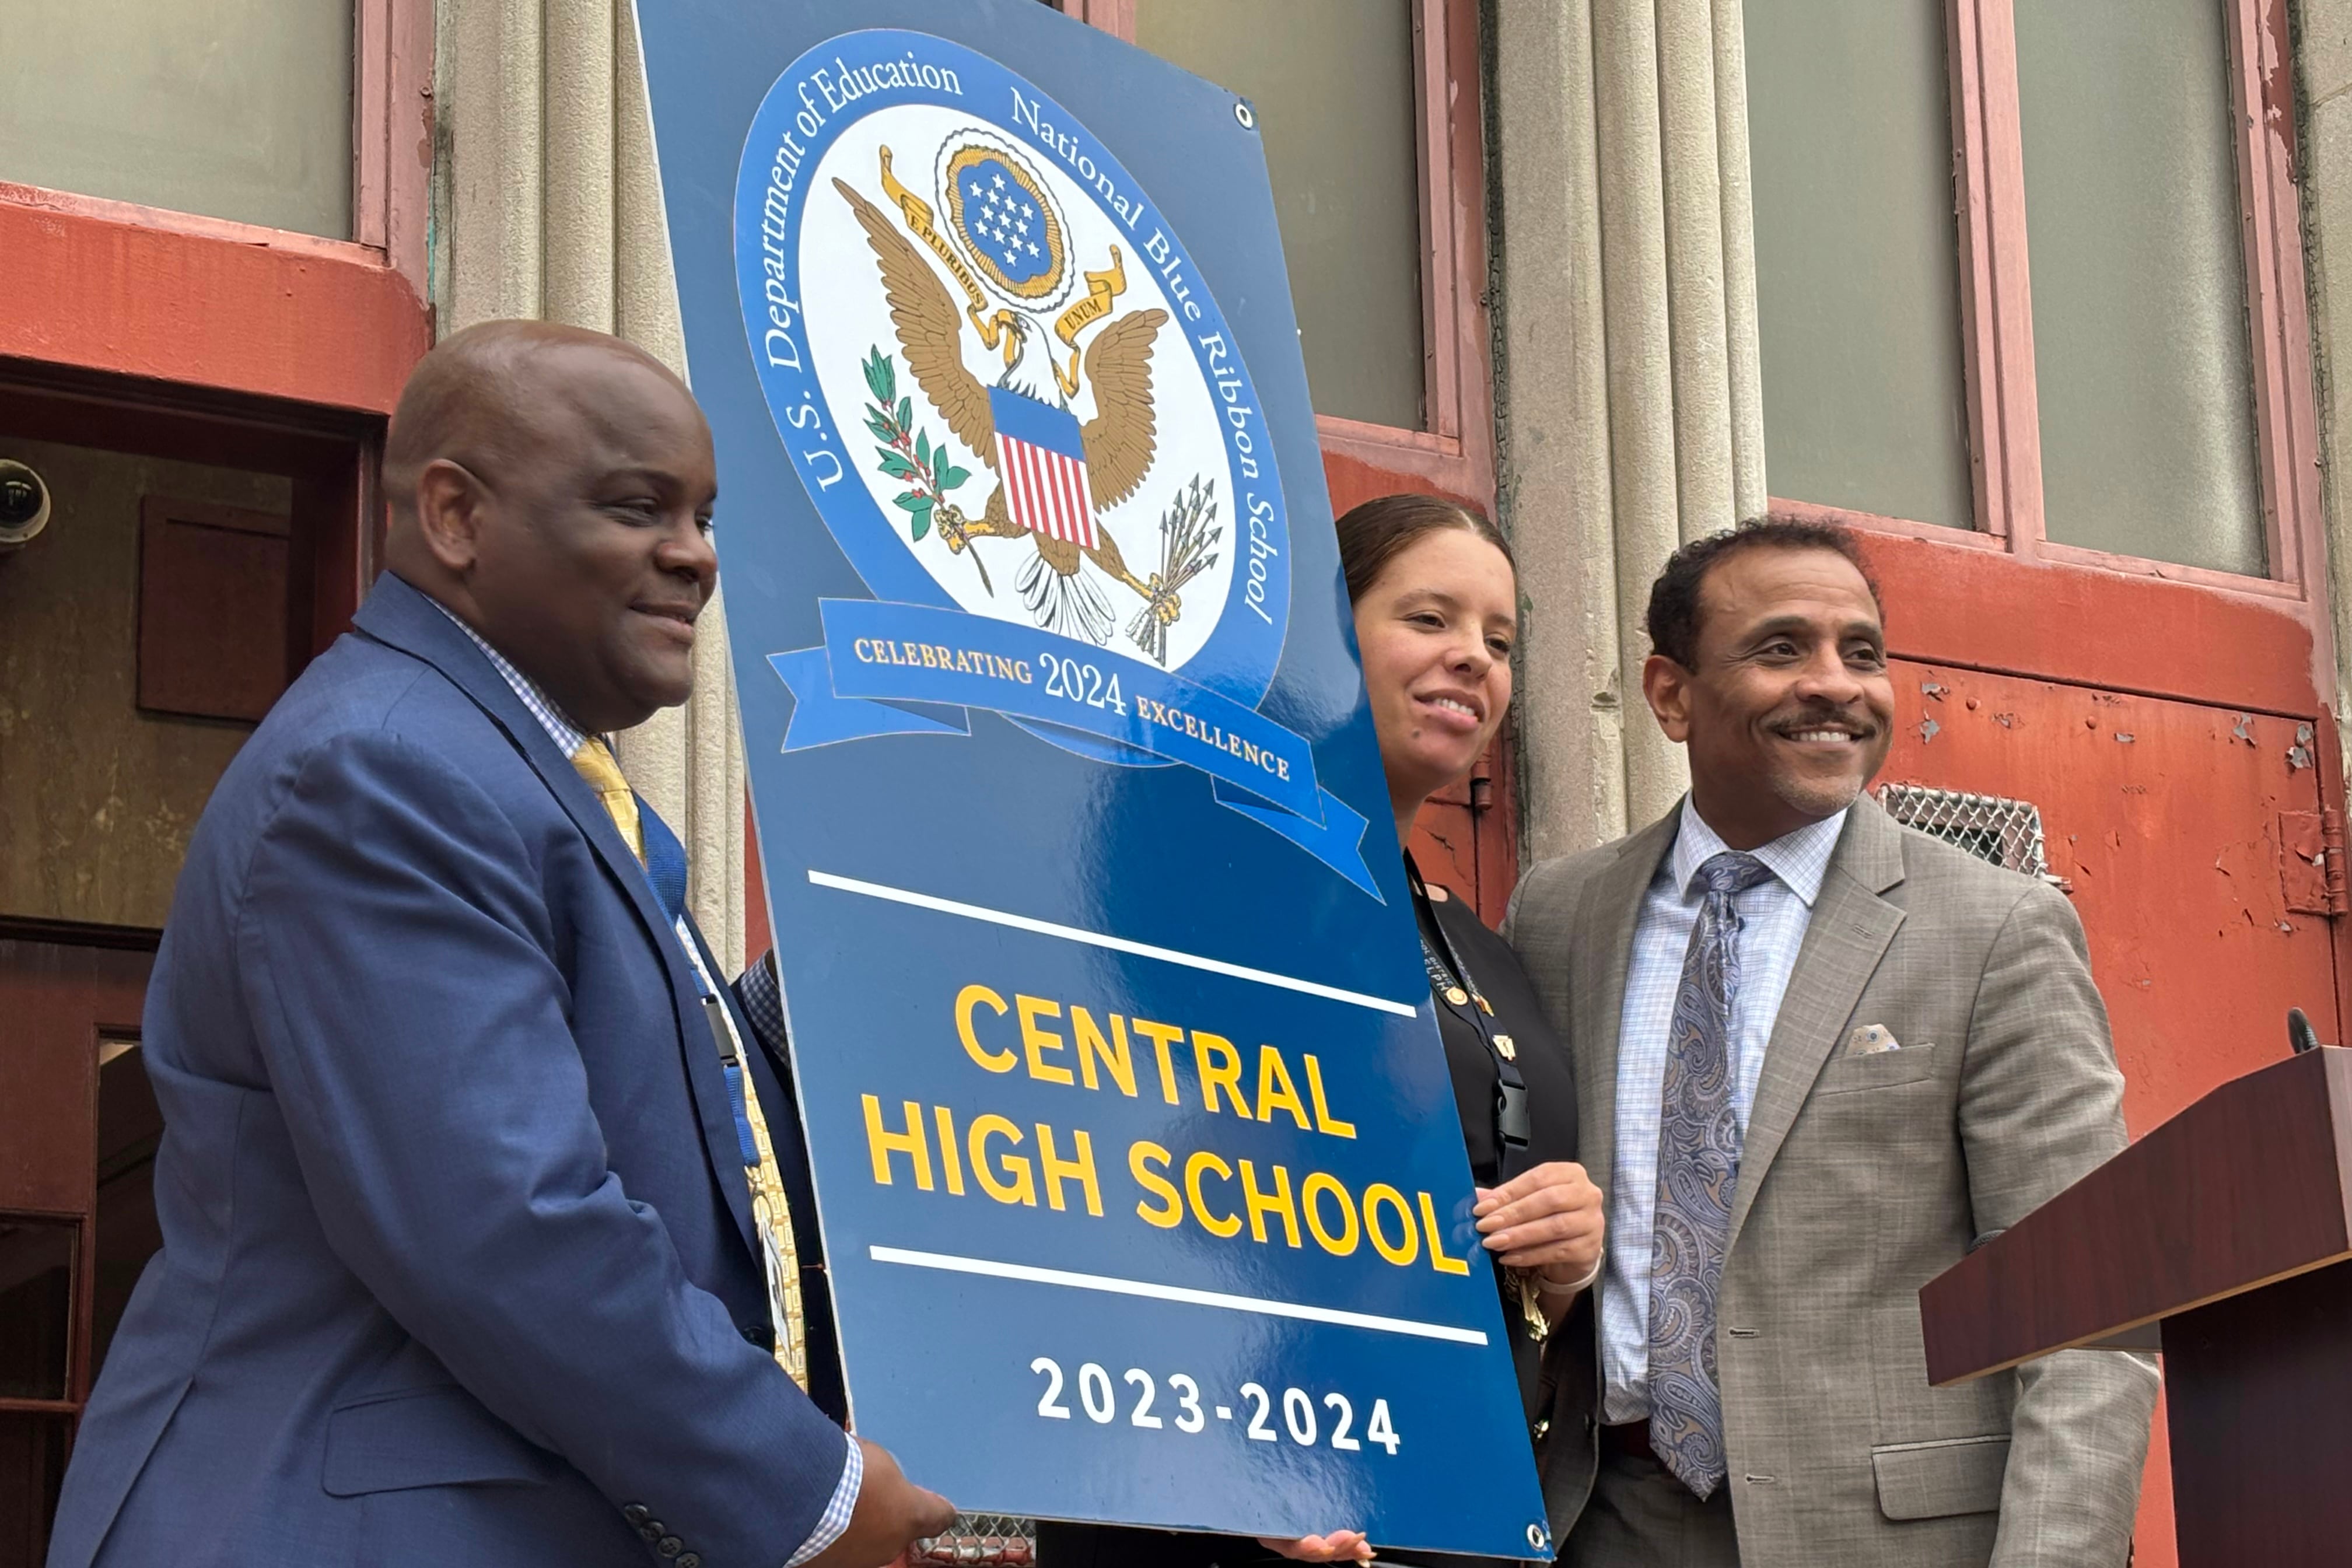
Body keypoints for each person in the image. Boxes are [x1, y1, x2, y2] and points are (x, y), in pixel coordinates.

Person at [43, 321, 958, 1568]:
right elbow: (511, 1225)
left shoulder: (547, 789)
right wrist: (808, 1493)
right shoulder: (383, 774)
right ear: (456, 517)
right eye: (640, 507)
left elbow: (693, 1154)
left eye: (703, 517)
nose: (693, 558)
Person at [1508, 517, 2157, 1567]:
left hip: (1896, 1540)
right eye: (1781, 649)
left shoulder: (1994, 928)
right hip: (1606, 1523)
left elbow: (2086, 1310)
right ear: (1669, 694)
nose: (1836, 684)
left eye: (1863, 653)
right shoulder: (1559, 913)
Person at [1040, 494, 1605, 1567]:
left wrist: (1565, 1268)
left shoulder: (1479, 952)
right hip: (1227, 1513)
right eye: (1429, 619)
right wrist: (1225, 1469)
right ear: (1324, 642)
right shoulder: (1180, 892)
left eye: (1499, 640)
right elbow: (1086, 1191)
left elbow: (1481, 1264)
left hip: (1452, 1509)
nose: (1474, 661)